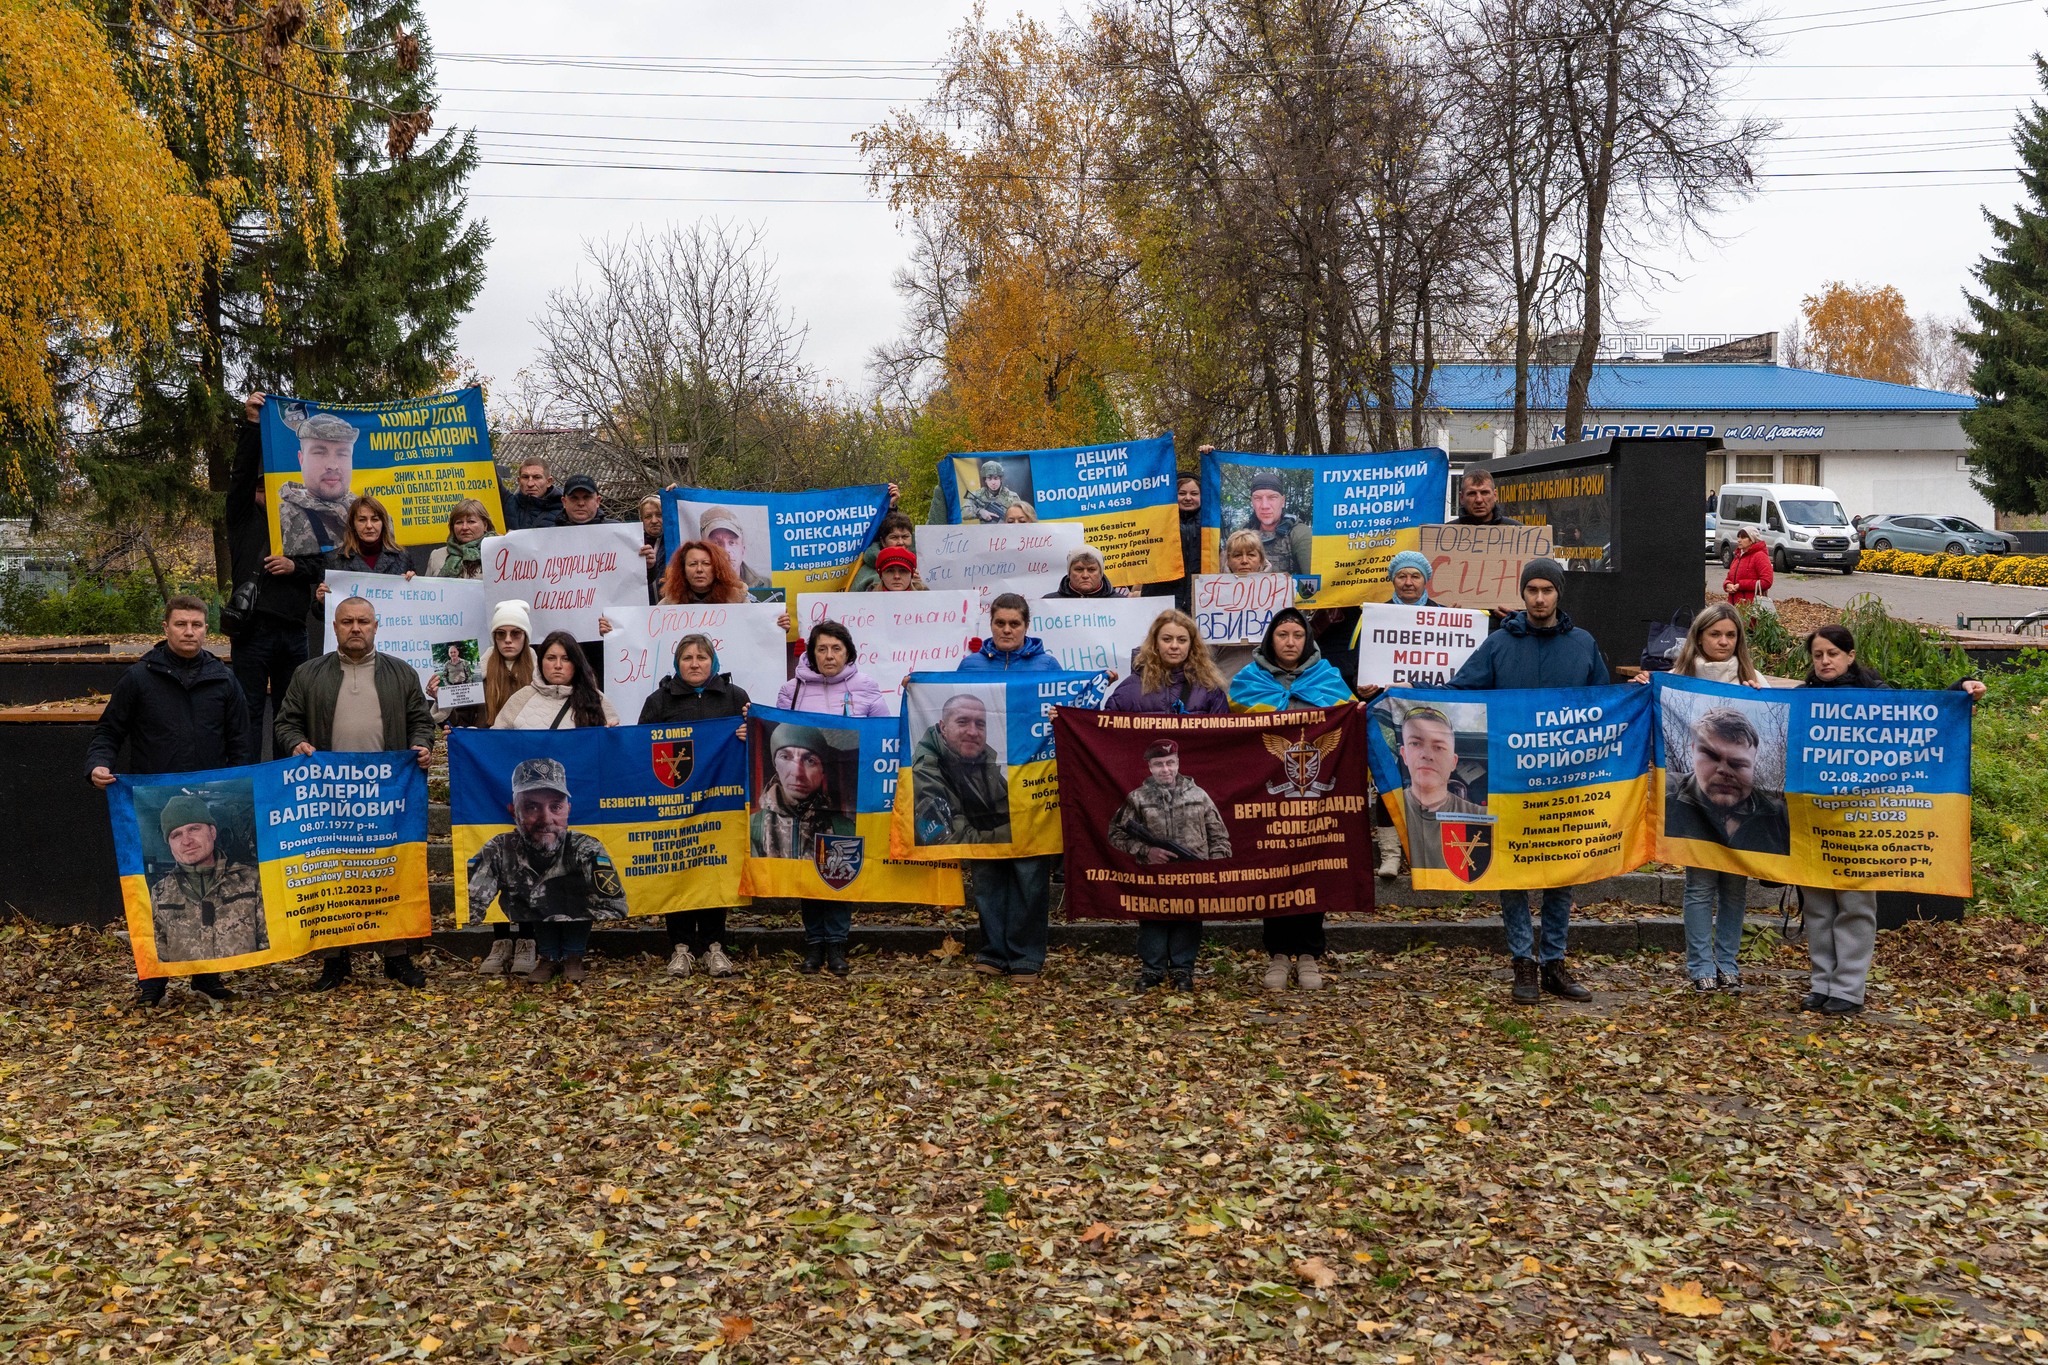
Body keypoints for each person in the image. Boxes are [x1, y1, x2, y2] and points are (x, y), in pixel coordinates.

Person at [1793, 624, 1984, 1016]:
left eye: (1833, 653)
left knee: (1855, 905)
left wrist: (1960, 690)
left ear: (1850, 656)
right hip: (1813, 822)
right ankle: (1821, 984)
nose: (1825, 661)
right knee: (1817, 908)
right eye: (1818, 655)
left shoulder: (1878, 698)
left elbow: (1920, 718)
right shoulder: (1800, 698)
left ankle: (1848, 989)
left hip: (1862, 824)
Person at [1443, 557, 1607, 1006]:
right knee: (1511, 869)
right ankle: (1523, 961)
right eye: (1532, 590)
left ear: (1558, 593)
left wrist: (1641, 690)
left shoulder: (1583, 644)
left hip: (1565, 780)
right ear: (1522, 594)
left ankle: (1554, 962)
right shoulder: (1498, 643)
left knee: (1561, 871)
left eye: (1546, 590)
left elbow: (1606, 702)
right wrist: (1403, 692)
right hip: (1510, 779)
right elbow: (1459, 692)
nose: (1539, 598)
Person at [87, 596, 254, 1005]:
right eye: (181, 624)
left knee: (210, 888)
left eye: (197, 625)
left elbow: (241, 743)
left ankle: (207, 975)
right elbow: (108, 731)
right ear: (165, 628)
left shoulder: (224, 679)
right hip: (151, 806)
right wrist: (98, 764)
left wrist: (239, 787)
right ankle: (153, 979)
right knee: (153, 894)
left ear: (206, 629)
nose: (189, 632)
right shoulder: (138, 678)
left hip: (209, 805)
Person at [274, 595, 437, 990]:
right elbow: (285, 722)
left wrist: (421, 744)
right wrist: (295, 743)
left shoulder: (401, 673)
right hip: (328, 797)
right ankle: (335, 962)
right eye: (347, 622)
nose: (356, 628)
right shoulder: (308, 674)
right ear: (334, 627)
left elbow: (421, 721)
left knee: (390, 873)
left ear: (376, 626)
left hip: (387, 796)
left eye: (363, 621)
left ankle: (396, 957)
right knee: (333, 876)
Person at [1635, 604, 1763, 991]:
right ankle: (1701, 966)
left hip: (1739, 807)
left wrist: (1762, 697)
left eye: (1731, 635)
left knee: (1734, 888)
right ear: (1699, 637)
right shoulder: (1677, 680)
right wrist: (1643, 686)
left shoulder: (1752, 681)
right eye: (1715, 634)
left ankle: (1728, 963)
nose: (1723, 642)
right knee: (1699, 886)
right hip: (1695, 803)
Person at [1226, 607, 1352, 992]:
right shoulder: (1248, 681)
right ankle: (1279, 953)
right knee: (1274, 867)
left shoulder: (1328, 678)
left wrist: (1358, 711)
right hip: (1268, 798)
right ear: (1271, 640)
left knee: (1313, 865)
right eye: (1283, 635)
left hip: (1316, 798)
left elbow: (1347, 723)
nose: (1290, 642)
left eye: (1298, 635)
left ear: (1308, 640)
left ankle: (1310, 953)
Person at [772, 621, 888, 974]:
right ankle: (814, 944)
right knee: (807, 869)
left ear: (848, 652)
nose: (829, 655)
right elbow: (777, 730)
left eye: (836, 648)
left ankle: (837, 944)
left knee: (840, 866)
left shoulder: (866, 687)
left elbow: (884, 734)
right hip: (802, 800)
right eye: (821, 649)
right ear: (812, 653)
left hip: (847, 798)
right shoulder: (791, 690)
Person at [435, 600, 541, 976]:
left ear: (526, 636)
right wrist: (442, 700)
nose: (508, 640)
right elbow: (460, 717)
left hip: (530, 777)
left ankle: (527, 938)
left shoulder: (542, 673)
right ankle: (501, 938)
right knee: (494, 850)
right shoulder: (476, 672)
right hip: (488, 778)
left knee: (529, 854)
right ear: (493, 637)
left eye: (515, 633)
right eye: (501, 633)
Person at [639, 634, 750, 978]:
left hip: (720, 805)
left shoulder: (735, 697)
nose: (695, 663)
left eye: (701, 657)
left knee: (714, 870)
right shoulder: (659, 701)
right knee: (679, 872)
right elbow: (639, 747)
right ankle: (681, 948)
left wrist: (751, 731)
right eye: (687, 658)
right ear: (677, 664)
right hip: (675, 806)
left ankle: (715, 947)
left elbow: (757, 744)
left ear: (713, 661)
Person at [466, 757, 629, 984]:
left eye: (556, 807)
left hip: (576, 927)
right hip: (538, 929)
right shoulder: (499, 850)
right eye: (532, 806)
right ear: (514, 811)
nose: (546, 819)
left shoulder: (586, 848)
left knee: (574, 888)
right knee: (535, 897)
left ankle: (573, 957)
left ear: (568, 810)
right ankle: (548, 957)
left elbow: (615, 905)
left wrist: (562, 908)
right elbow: (469, 903)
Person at [227, 392, 324, 747]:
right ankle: (249, 777)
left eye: (272, 486)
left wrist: (293, 565)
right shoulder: (242, 519)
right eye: (261, 488)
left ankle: (285, 777)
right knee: (248, 711)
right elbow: (240, 474)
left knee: (290, 714)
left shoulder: (304, 522)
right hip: (252, 630)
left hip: (294, 632)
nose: (267, 493)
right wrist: (253, 424)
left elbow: (320, 565)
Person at [1109, 739, 1230, 992]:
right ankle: (1152, 971)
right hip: (1153, 874)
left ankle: (1182, 970)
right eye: (1159, 764)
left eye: (1170, 763)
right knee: (1153, 919)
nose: (1165, 769)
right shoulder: (1137, 798)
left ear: (1178, 763)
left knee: (1188, 920)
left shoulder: (1199, 795)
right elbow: (1116, 834)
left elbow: (1219, 836)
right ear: (1150, 767)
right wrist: (1147, 850)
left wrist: (1214, 868)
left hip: (1192, 872)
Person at [1358, 549, 1440, 878]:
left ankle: (1430, 850)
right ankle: (1391, 854)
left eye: (1415, 576)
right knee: (1388, 779)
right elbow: (1358, 663)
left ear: (1426, 580)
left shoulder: (1444, 617)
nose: (1408, 582)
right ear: (1392, 580)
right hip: (1386, 712)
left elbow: (1455, 672)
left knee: (1431, 779)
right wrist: (1363, 686)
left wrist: (1416, 683)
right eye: (1402, 576)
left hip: (1431, 713)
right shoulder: (1373, 616)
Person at [147, 793, 268, 965]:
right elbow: (156, 959)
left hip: (246, 980)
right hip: (187, 982)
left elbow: (271, 946)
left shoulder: (251, 881)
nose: (186, 841)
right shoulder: (160, 893)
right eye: (176, 835)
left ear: (212, 832)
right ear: (170, 844)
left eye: (194, 829)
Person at [1391, 705, 1488, 875]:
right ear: (1404, 754)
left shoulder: (1480, 815)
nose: (1426, 755)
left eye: (1438, 747)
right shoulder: (1391, 808)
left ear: (1453, 761)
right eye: (1416, 743)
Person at [1103, 609, 1230, 716]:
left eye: (1182, 640)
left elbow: (1222, 735)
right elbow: (1105, 730)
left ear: (1191, 645)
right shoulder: (1129, 689)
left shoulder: (1209, 689)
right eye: (1167, 639)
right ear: (1155, 643)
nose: (1174, 646)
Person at [494, 631, 622, 730]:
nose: (558, 665)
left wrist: (613, 734)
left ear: (576, 663)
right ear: (540, 662)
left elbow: (614, 746)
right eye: (551, 658)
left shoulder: (596, 699)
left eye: (566, 659)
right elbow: (495, 742)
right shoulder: (522, 698)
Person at [277, 410, 358, 556]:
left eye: (342, 454)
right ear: (301, 459)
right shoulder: (281, 520)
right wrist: (253, 424)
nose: (333, 465)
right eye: (320, 452)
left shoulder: (374, 515)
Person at [960, 593, 1062, 674]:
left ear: (1026, 626)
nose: (1006, 630)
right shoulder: (969, 666)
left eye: (1014, 624)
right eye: (1000, 623)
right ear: (991, 624)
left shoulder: (1048, 666)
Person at [1237, 472, 1313, 575]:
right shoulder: (1244, 531)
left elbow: (1314, 581)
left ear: (1282, 501)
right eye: (1258, 498)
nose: (1264, 506)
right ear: (1252, 502)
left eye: (1272, 497)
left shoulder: (1299, 533)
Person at [696, 505, 771, 589]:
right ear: (703, 551)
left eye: (732, 543)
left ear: (742, 550)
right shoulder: (690, 589)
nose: (726, 550)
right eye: (716, 544)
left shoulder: (766, 585)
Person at [661, 539, 749, 605]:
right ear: (683, 570)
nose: (699, 569)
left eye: (706, 563)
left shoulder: (737, 600)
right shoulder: (670, 603)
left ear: (717, 568)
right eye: (693, 564)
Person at [849, 511, 917, 591]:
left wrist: (917, 586)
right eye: (894, 537)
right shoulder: (866, 573)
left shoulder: (922, 562)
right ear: (883, 542)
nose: (901, 542)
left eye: (905, 537)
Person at [428, 499, 495, 578]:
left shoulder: (499, 553)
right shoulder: (436, 556)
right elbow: (427, 585)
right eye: (459, 522)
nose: (464, 527)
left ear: (485, 525)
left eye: (471, 521)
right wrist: (415, 581)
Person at [1048, 545, 1129, 599]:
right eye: (1079, 569)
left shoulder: (1121, 603)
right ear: (1069, 573)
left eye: (1091, 570)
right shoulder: (1048, 602)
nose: (1085, 575)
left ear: (1100, 573)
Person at [506, 458, 564, 530]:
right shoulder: (508, 506)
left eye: (537, 477)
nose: (530, 484)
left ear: (549, 482)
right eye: (525, 477)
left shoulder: (566, 511)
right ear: (519, 481)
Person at [963, 459, 1026, 523]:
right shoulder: (978, 495)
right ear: (985, 480)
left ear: (1001, 479)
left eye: (996, 478)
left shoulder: (1012, 496)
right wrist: (980, 512)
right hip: (986, 529)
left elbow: (1022, 516)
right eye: (989, 479)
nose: (993, 482)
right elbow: (963, 512)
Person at [1722, 528, 1773, 606]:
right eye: (1738, 537)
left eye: (1743, 538)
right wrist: (1727, 584)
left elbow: (1766, 582)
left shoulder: (1760, 556)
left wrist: (1741, 585)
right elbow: (1729, 577)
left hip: (1752, 607)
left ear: (1752, 540)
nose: (1739, 540)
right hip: (1734, 606)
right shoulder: (1737, 556)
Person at [1452, 468, 1519, 526]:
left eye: (1484, 493)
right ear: (1461, 498)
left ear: (1495, 495)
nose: (1479, 500)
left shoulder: (1517, 530)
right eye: (1472, 494)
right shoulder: (1447, 532)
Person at [637, 494, 666, 602]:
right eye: (648, 516)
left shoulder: (676, 541)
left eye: (659, 515)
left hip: (673, 609)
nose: (654, 521)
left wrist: (677, 494)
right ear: (642, 520)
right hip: (644, 608)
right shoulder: (635, 545)